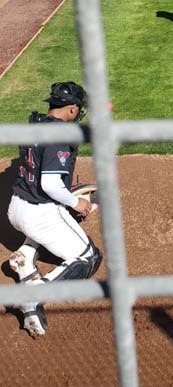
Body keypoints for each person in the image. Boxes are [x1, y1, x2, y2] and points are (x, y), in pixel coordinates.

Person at [7, 82, 102, 338]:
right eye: (78, 109)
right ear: (71, 109)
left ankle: (25, 254)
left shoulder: (36, 123)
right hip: (39, 215)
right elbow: (49, 184)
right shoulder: (60, 133)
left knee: (63, 206)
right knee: (89, 258)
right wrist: (77, 203)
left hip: (16, 208)